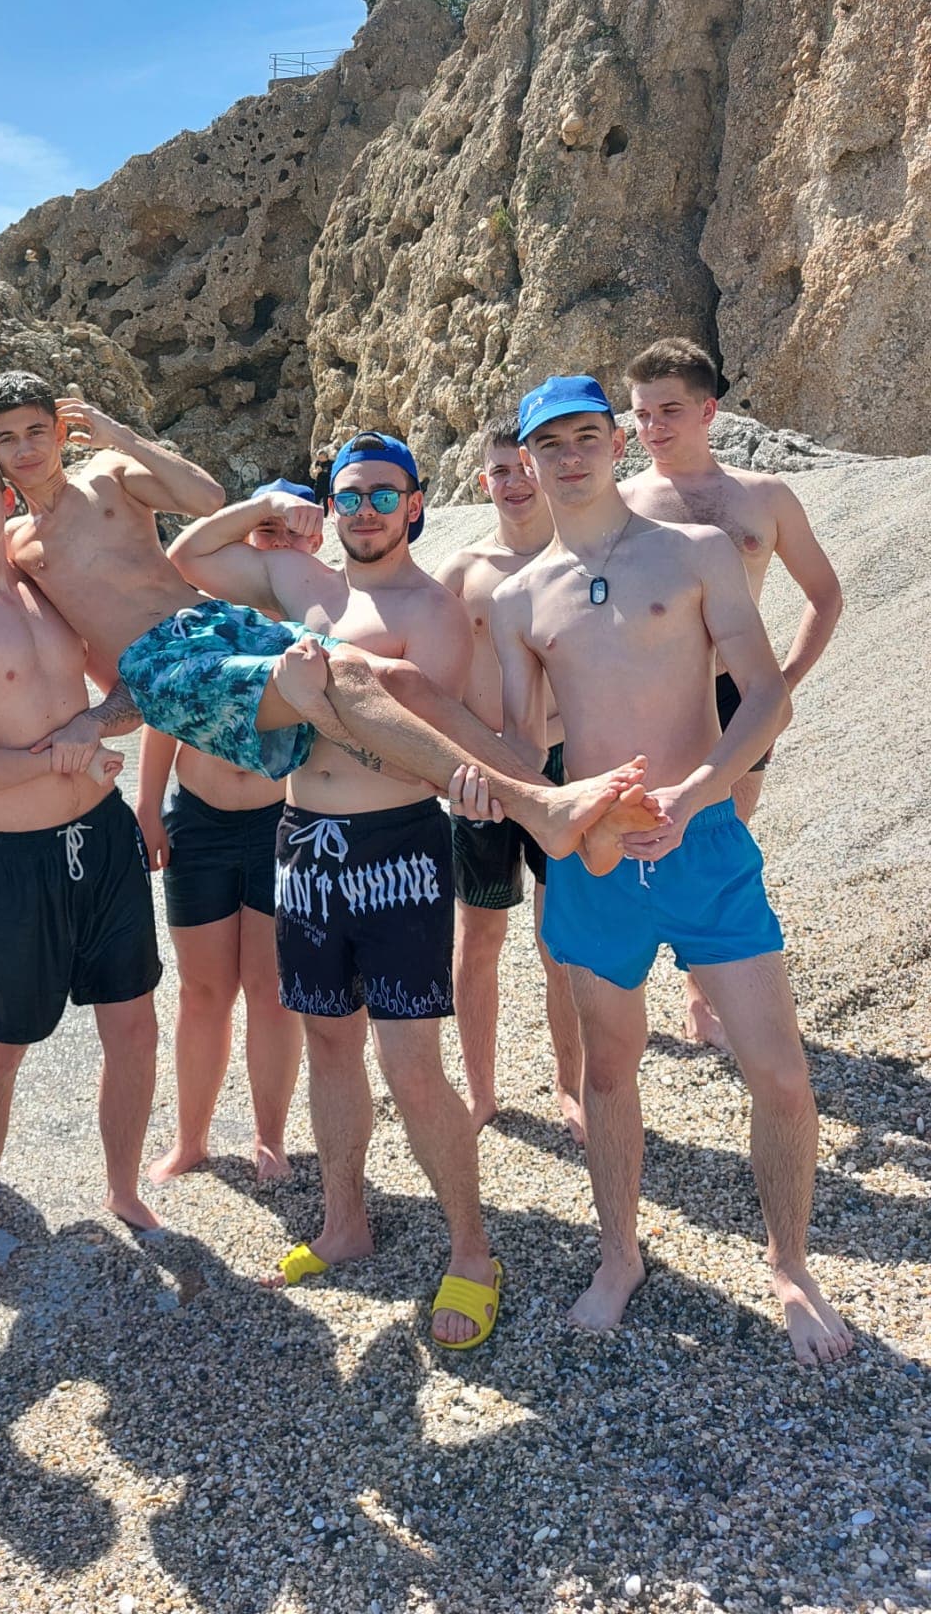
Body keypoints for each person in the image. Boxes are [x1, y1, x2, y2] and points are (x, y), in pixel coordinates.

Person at [491, 374, 850, 1363]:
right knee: (610, 1067)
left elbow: (766, 693)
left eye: (585, 436)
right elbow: (524, 747)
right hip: (598, 860)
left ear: (615, 441)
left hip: (705, 844)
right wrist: (529, 795)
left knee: (778, 1071)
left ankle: (790, 1262)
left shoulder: (693, 552)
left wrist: (694, 797)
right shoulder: (520, 595)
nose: (569, 456)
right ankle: (620, 1254)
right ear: (527, 460)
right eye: (547, 443)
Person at [0, 372, 661, 870]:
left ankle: (559, 807)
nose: (27, 447)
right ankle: (542, 812)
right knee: (353, 669)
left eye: (38, 430)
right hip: (165, 666)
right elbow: (29, 631)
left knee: (401, 680)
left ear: (62, 431)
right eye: (9, 439)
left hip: (213, 626)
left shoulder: (112, 475)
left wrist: (123, 436)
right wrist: (100, 714)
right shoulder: (15, 545)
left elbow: (202, 496)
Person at [171, 434, 503, 1349]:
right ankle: (345, 1221)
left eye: (382, 495)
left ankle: (472, 1251)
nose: (363, 511)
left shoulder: (431, 611)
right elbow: (188, 557)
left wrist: (316, 699)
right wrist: (265, 512)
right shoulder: (300, 582)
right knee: (327, 1041)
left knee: (410, 1064)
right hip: (301, 846)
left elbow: (409, 742)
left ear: (416, 503)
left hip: (397, 848)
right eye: (348, 495)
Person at [0, 443, 161, 1280]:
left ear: (6, 495)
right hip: (10, 862)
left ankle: (122, 1188)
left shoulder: (48, 585)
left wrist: (97, 727)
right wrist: (61, 757)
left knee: (134, 1026)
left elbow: (130, 681)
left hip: (105, 839)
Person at [622, 336, 845, 1051]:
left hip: (735, 693)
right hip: (650, 694)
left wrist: (781, 684)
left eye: (670, 411)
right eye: (642, 414)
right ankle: (618, 988)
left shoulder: (764, 497)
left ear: (708, 410)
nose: (653, 428)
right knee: (638, 836)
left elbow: (824, 594)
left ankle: (702, 995)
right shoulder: (622, 504)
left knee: (723, 845)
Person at [137, 481, 319, 1186]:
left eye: (289, 533)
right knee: (202, 990)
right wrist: (148, 808)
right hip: (202, 819)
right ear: (245, 538)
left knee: (271, 989)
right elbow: (163, 710)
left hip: (285, 822)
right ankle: (191, 1138)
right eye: (263, 532)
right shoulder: (207, 614)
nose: (274, 546)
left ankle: (269, 1137)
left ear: (314, 541)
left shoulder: (322, 615)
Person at [436, 417, 583, 1140]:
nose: (514, 483)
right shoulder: (463, 573)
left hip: (563, 764)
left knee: (562, 938)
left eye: (522, 466)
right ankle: (482, 1090)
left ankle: (572, 1085)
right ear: (483, 481)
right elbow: (424, 678)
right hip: (484, 772)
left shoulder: (581, 560)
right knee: (479, 935)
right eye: (499, 472)